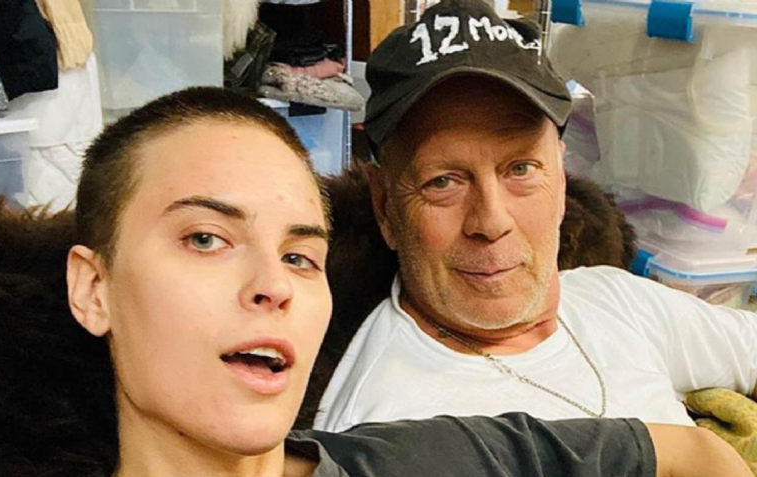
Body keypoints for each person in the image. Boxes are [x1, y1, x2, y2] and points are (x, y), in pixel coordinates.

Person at [0, 86, 748, 476]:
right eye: (207, 238)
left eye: (300, 255)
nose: (272, 284)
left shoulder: (414, 458)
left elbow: (694, 455)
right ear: (93, 288)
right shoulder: (390, 393)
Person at [313, 0, 757, 435]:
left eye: (521, 169)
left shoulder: (615, 298)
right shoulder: (386, 431)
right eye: (442, 182)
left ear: (560, 180)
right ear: (386, 208)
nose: (491, 221)